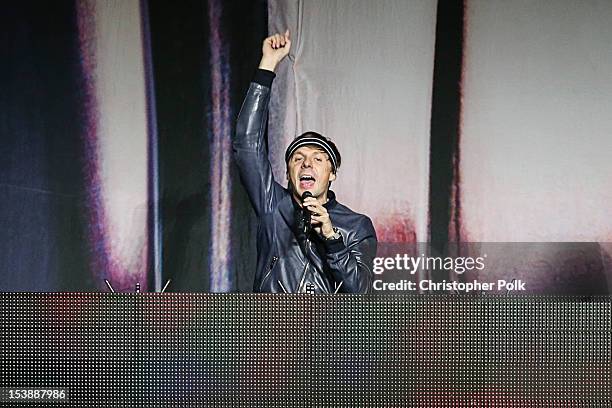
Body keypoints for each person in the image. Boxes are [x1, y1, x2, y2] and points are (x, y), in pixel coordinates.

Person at [233, 30, 377, 293]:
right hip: (272, 330)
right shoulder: (274, 206)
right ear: (288, 173)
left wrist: (332, 238)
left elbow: (361, 294)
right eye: (298, 159)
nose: (306, 164)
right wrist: (268, 65)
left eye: (317, 159)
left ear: (332, 173)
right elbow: (247, 145)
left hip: (325, 333)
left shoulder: (356, 225)